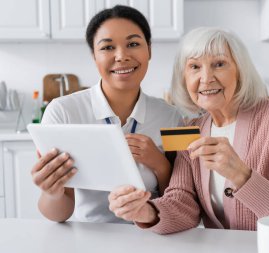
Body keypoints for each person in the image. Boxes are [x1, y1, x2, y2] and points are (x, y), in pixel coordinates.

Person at [107, 27, 269, 247]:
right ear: (184, 79)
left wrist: (241, 175)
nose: (206, 78)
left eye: (219, 64)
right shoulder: (191, 129)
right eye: (194, 67)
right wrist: (146, 211)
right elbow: (182, 202)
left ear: (240, 71)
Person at [31, 5, 183, 223]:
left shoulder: (172, 117)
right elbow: (58, 215)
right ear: (94, 55)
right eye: (108, 47)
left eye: (133, 44)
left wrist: (159, 164)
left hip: (151, 235)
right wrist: (51, 192)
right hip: (87, 238)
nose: (121, 56)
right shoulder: (62, 112)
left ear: (149, 50)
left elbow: (180, 199)